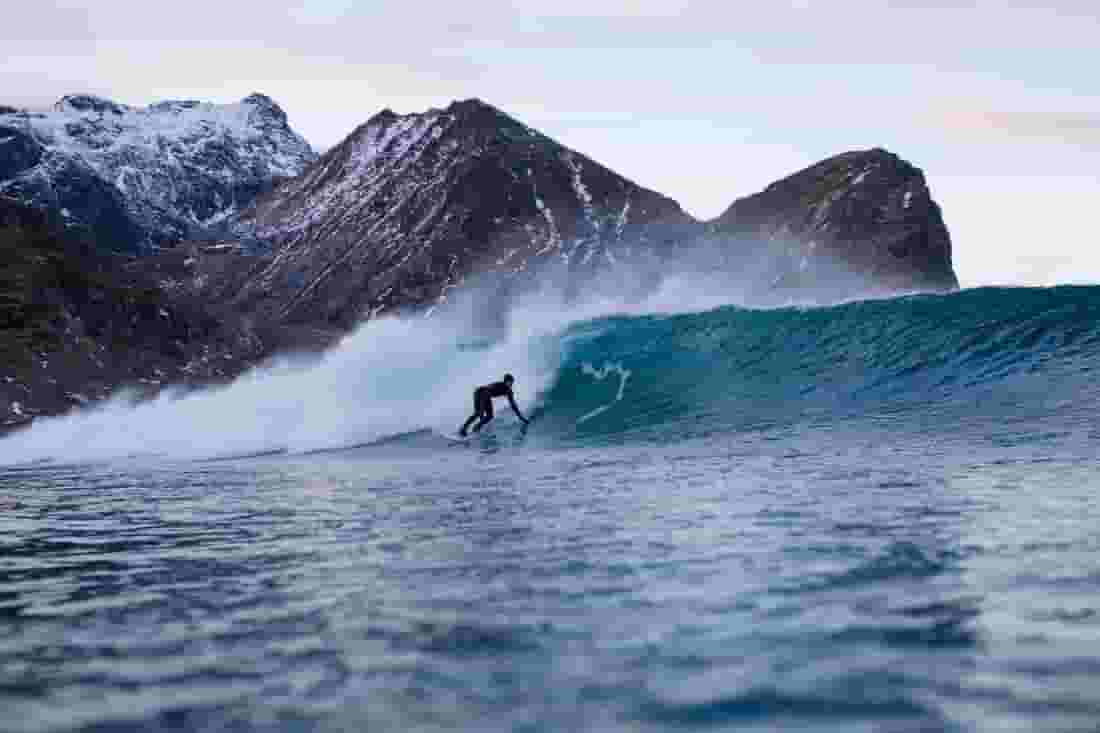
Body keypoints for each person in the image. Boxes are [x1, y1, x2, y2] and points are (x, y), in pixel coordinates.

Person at [459, 373, 529, 436]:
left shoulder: (509, 391)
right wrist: (482, 410)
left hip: (487, 395)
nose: (511, 384)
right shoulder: (499, 386)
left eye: (512, 382)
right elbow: (485, 393)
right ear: (505, 381)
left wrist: (521, 417)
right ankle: (464, 428)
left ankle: (476, 427)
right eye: (509, 382)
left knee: (490, 415)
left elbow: (513, 405)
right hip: (480, 392)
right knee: (478, 413)